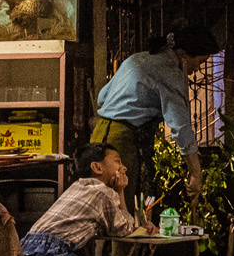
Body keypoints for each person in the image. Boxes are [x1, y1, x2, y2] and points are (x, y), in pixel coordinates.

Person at [91, 25, 218, 202]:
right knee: (119, 203)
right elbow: (181, 127)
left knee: (97, 200)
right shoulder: (169, 72)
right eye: (200, 61)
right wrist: (196, 172)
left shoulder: (137, 58)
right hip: (122, 142)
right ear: (184, 55)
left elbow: (102, 97)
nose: (197, 68)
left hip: (98, 134)